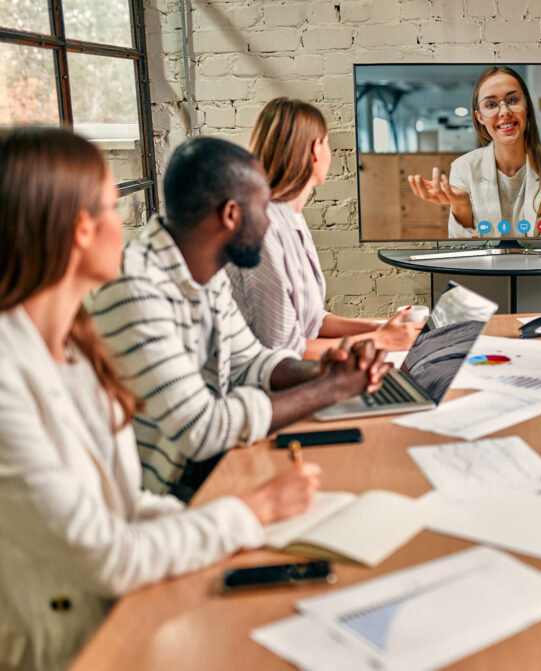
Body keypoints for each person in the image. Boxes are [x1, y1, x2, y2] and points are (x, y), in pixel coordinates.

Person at [0, 127, 323, 671]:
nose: (128, 223)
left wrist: (224, 521)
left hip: (118, 601)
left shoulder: (71, 347)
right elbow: (108, 554)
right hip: (70, 646)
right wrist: (252, 509)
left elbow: (127, 507)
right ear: (82, 229)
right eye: (113, 205)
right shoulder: (10, 378)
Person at [88, 136, 388, 499]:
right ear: (231, 215)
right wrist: (331, 389)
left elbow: (252, 363)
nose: (268, 222)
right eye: (263, 208)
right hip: (153, 497)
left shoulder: (205, 272)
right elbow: (201, 428)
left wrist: (324, 370)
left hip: (199, 472)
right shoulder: (135, 287)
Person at [228, 98, 421, 356]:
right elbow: (281, 351)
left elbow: (312, 321)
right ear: (317, 150)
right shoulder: (260, 232)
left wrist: (380, 328)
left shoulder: (290, 216)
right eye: (328, 143)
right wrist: (380, 341)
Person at [406, 65, 541, 238]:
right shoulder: (463, 167)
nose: (504, 111)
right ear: (479, 117)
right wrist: (461, 204)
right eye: (491, 105)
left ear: (526, 106)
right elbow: (464, 246)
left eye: (513, 100)